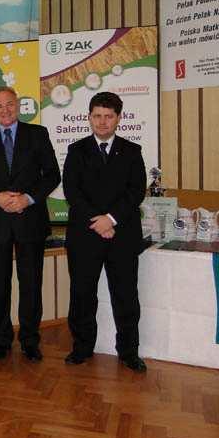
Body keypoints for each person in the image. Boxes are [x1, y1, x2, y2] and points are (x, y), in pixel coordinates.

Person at [0, 86, 60, 363]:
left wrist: (28, 199)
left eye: (9, 104)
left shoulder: (37, 135)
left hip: (30, 220)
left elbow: (52, 174)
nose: (5, 110)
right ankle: (2, 339)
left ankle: (30, 340)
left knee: (31, 283)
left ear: (17, 105)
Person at [63, 92, 147, 372]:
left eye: (108, 116)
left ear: (118, 119)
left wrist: (110, 219)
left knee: (125, 295)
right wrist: (98, 221)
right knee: (82, 294)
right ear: (89, 117)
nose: (102, 122)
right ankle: (82, 348)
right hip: (85, 236)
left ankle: (129, 352)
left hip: (122, 236)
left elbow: (135, 193)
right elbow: (72, 192)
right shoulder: (76, 151)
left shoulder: (132, 152)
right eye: (97, 115)